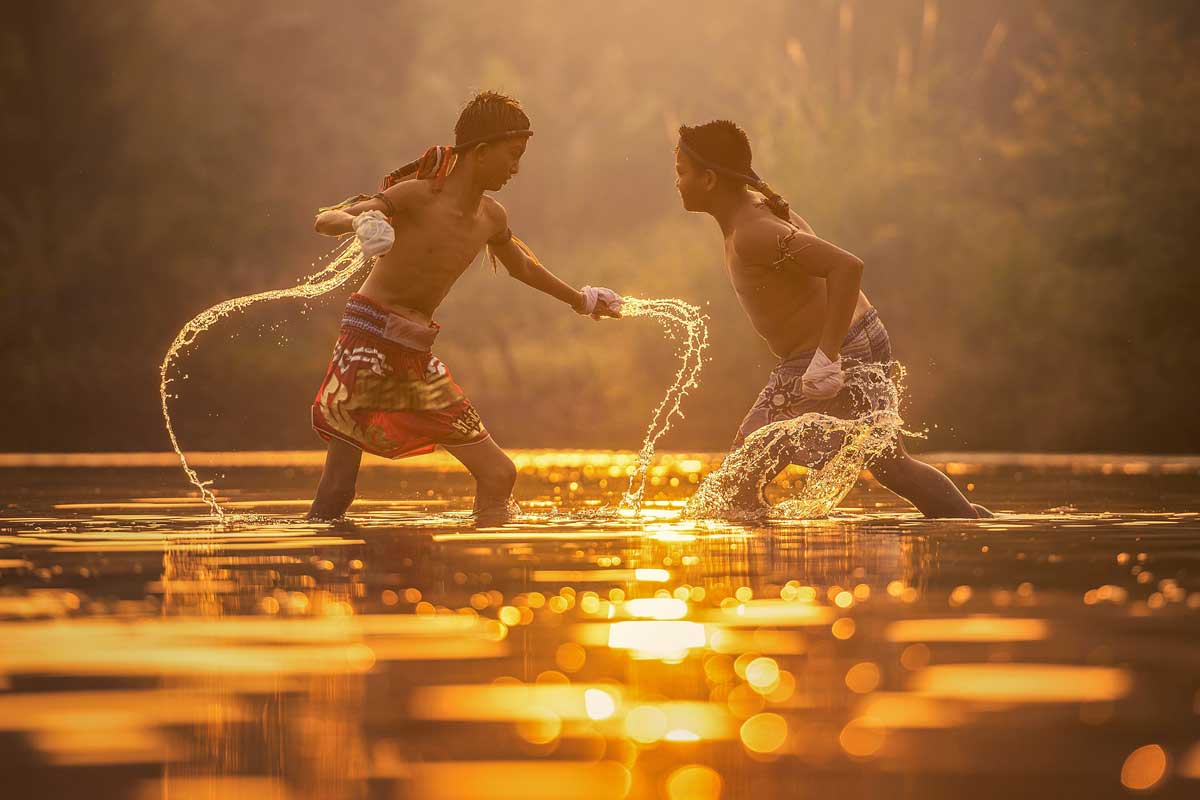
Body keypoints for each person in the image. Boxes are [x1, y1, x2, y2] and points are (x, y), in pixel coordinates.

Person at [307, 91, 621, 520]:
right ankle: (329, 565)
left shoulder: (492, 217)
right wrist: (364, 220)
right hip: (367, 339)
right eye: (512, 155)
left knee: (498, 474)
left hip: (415, 353)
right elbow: (326, 220)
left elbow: (523, 267)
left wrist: (582, 300)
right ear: (481, 151)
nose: (516, 168)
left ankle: (480, 569)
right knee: (340, 484)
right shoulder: (417, 195)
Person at [674, 119, 988, 518]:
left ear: (709, 180)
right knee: (892, 465)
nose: (677, 183)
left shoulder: (755, 230)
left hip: (832, 350)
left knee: (735, 485)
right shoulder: (751, 215)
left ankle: (767, 573)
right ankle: (977, 524)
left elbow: (846, 267)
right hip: (851, 339)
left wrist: (827, 357)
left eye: (682, 173)